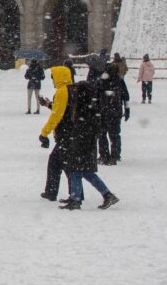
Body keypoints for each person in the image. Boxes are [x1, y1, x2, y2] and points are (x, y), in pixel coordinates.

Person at [54, 64, 117, 209]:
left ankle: (76, 199)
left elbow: (81, 128)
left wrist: (76, 143)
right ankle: (107, 195)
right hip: (86, 144)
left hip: (81, 144)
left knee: (75, 170)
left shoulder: (84, 109)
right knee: (87, 173)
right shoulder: (90, 107)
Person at [37, 64, 71, 200]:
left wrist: (44, 132)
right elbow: (63, 110)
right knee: (64, 165)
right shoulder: (70, 89)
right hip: (71, 134)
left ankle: (54, 192)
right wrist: (49, 104)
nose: (52, 80)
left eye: (53, 77)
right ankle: (72, 193)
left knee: (58, 163)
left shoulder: (62, 92)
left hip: (66, 134)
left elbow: (57, 115)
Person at [97, 63, 129, 162]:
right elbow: (126, 97)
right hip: (115, 112)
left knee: (102, 134)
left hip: (103, 111)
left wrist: (95, 109)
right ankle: (115, 155)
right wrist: (127, 110)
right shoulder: (120, 81)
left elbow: (96, 96)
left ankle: (104, 155)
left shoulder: (102, 81)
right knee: (115, 135)